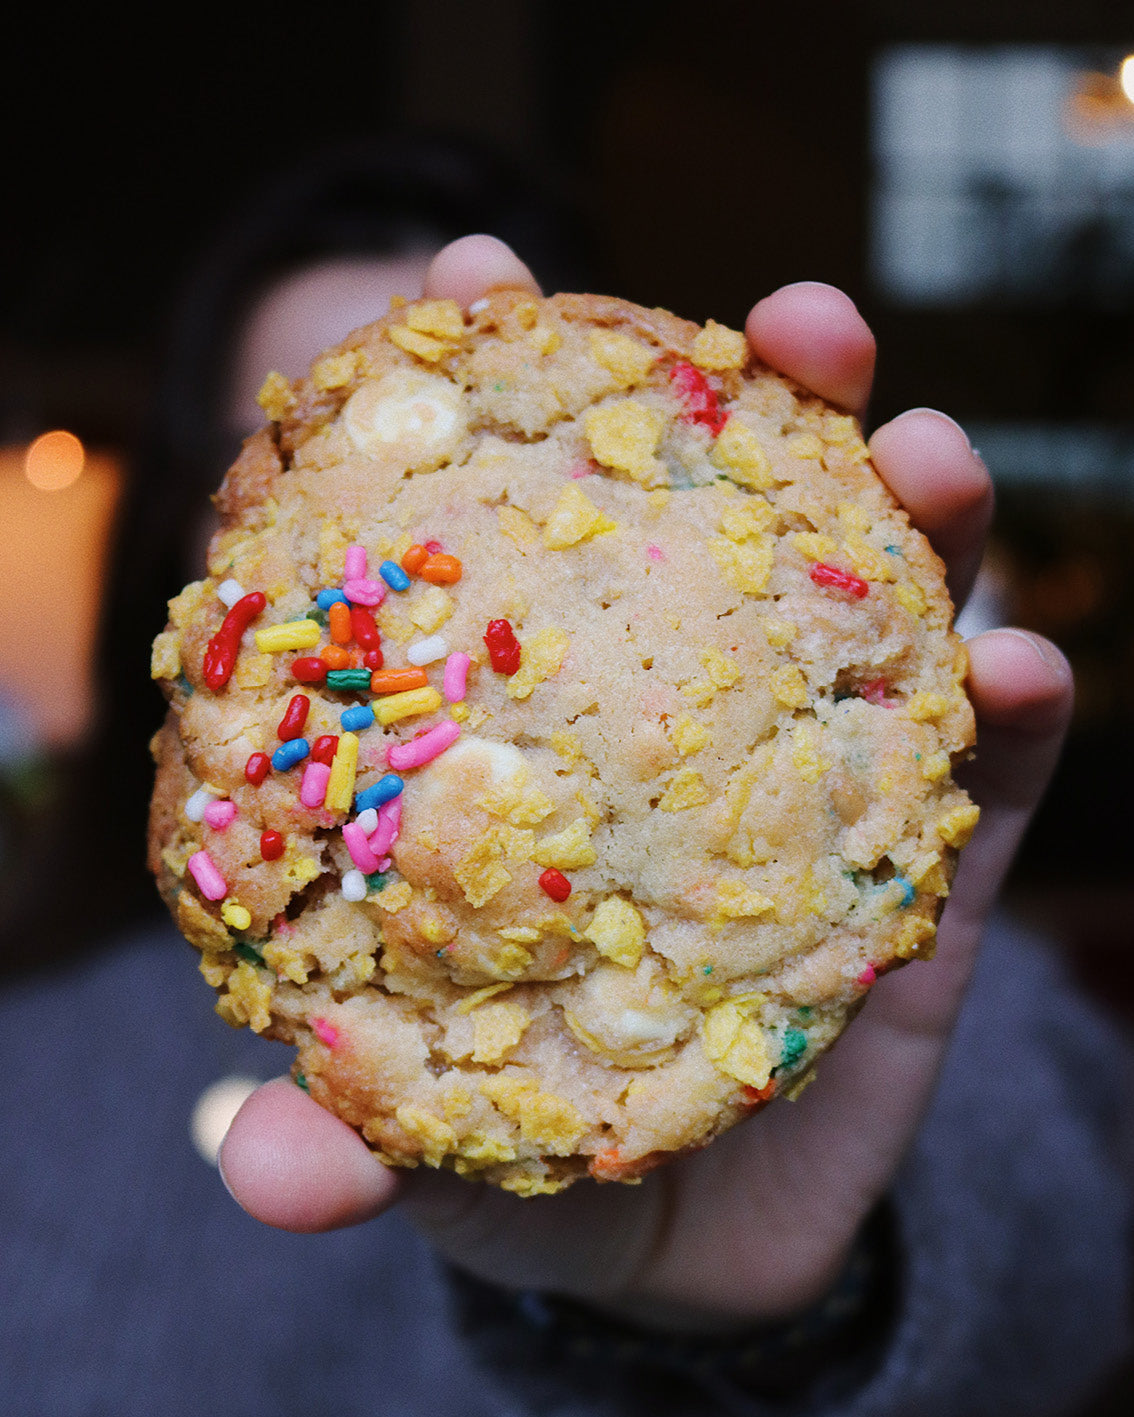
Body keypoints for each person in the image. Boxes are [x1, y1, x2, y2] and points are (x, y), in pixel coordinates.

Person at [0, 159, 1129, 1414]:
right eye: (286, 452)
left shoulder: (905, 972)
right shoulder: (31, 1088)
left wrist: (805, 1312)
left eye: (440, 434)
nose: (370, 544)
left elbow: (1090, 1255)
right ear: (191, 535)